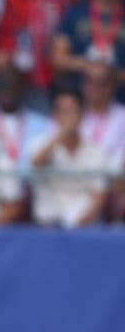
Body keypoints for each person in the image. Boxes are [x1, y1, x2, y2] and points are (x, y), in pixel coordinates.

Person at [29, 88, 109, 228]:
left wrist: (81, 226)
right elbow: (36, 163)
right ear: (55, 116)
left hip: (83, 227)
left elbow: (99, 195)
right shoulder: (40, 144)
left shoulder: (97, 152)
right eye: (64, 112)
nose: (69, 117)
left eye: (73, 111)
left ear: (82, 115)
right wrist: (61, 136)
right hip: (48, 226)